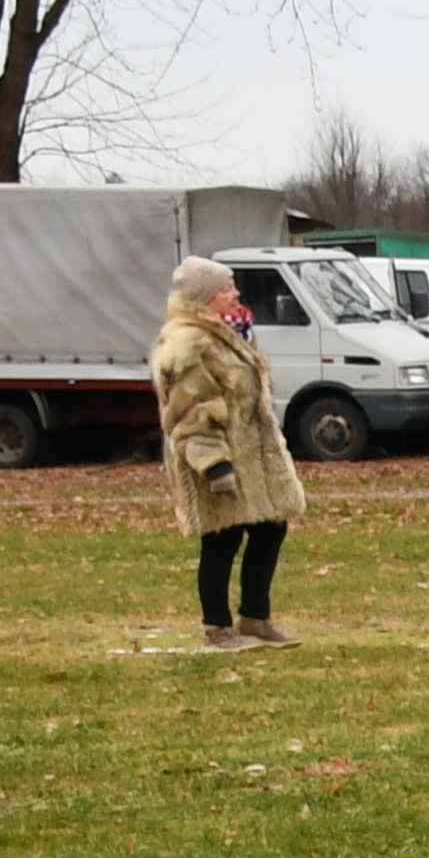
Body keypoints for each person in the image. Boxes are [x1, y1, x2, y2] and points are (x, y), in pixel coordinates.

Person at [153, 258, 304, 648]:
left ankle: (255, 617)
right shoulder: (189, 343)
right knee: (222, 536)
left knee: (271, 526)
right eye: (225, 288)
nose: (235, 293)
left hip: (251, 456)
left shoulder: (233, 333)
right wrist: (213, 464)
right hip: (217, 459)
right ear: (204, 298)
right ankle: (216, 627)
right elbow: (190, 413)